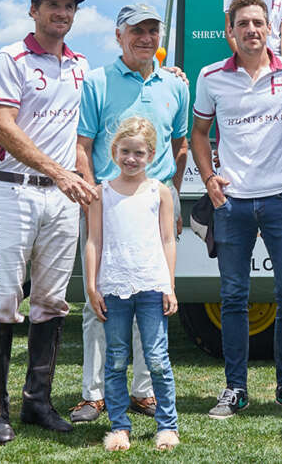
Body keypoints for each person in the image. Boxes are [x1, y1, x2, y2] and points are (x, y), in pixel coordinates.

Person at [0, 0, 99, 444]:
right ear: (34, 10)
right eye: (53, 4)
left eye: (69, 6)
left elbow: (86, 121)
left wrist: (163, 69)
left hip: (61, 196)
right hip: (15, 192)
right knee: (4, 300)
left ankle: (37, 403)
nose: (62, 13)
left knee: (51, 301)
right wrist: (59, 172)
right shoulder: (9, 59)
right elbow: (3, 126)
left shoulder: (81, 65)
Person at [191, 0, 282, 419]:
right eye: (243, 24)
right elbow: (199, 134)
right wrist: (209, 179)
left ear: (270, 28)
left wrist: (281, 158)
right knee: (233, 297)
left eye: (259, 23)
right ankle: (235, 388)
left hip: (281, 198)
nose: (252, 30)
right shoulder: (210, 76)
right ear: (230, 32)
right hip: (232, 202)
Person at [72, 4, 189, 423]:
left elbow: (180, 145)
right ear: (119, 35)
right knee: (99, 303)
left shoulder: (175, 85)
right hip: (107, 203)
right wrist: (90, 194)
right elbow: (83, 145)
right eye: (136, 31)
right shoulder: (97, 81)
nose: (145, 38)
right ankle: (94, 394)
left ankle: (143, 391)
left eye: (153, 31)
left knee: (152, 300)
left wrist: (168, 198)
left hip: (153, 204)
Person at [83, 117, 180, 453]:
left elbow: (168, 239)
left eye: (139, 152)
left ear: (150, 154)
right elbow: (93, 241)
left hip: (152, 285)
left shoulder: (160, 192)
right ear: (114, 151)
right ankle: (119, 427)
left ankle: (168, 426)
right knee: (116, 359)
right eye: (125, 151)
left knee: (157, 358)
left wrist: (169, 285)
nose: (131, 158)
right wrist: (93, 287)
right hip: (114, 286)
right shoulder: (101, 193)